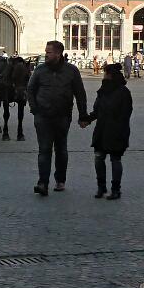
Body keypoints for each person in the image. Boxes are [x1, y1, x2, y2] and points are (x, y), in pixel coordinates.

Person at [27, 40, 89, 196]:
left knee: (61, 149)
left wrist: (83, 115)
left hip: (63, 116)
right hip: (43, 116)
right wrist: (34, 109)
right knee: (44, 149)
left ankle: (60, 180)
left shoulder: (71, 71)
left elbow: (80, 94)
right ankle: (43, 183)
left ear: (58, 54)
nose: (46, 55)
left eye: (49, 52)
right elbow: (30, 89)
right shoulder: (40, 70)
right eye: (46, 52)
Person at [86, 63, 133, 200]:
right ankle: (101, 187)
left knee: (115, 159)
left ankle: (115, 189)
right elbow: (97, 110)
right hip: (102, 129)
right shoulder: (103, 90)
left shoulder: (123, 92)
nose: (103, 76)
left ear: (110, 75)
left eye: (105, 73)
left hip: (117, 130)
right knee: (99, 157)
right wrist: (87, 119)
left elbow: (126, 113)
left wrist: (117, 125)